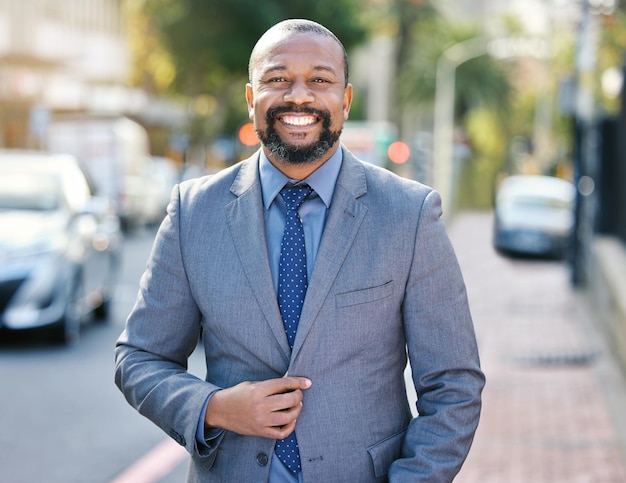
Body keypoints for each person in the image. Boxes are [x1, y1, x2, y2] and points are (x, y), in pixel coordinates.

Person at [115, 18, 485, 482]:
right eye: (277, 79)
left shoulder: (409, 216)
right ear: (252, 100)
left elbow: (453, 386)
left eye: (320, 80)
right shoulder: (194, 212)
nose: (299, 96)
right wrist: (214, 407)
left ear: (345, 100)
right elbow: (139, 358)